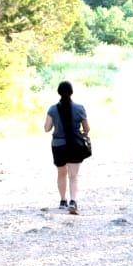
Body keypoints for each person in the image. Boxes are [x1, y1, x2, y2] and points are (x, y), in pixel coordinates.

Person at [44, 80, 90, 214]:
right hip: (75, 145)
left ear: (58, 92)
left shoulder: (53, 109)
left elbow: (47, 128)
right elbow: (87, 129)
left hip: (58, 145)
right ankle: (73, 201)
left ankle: (63, 200)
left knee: (61, 173)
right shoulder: (80, 108)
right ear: (72, 92)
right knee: (74, 176)